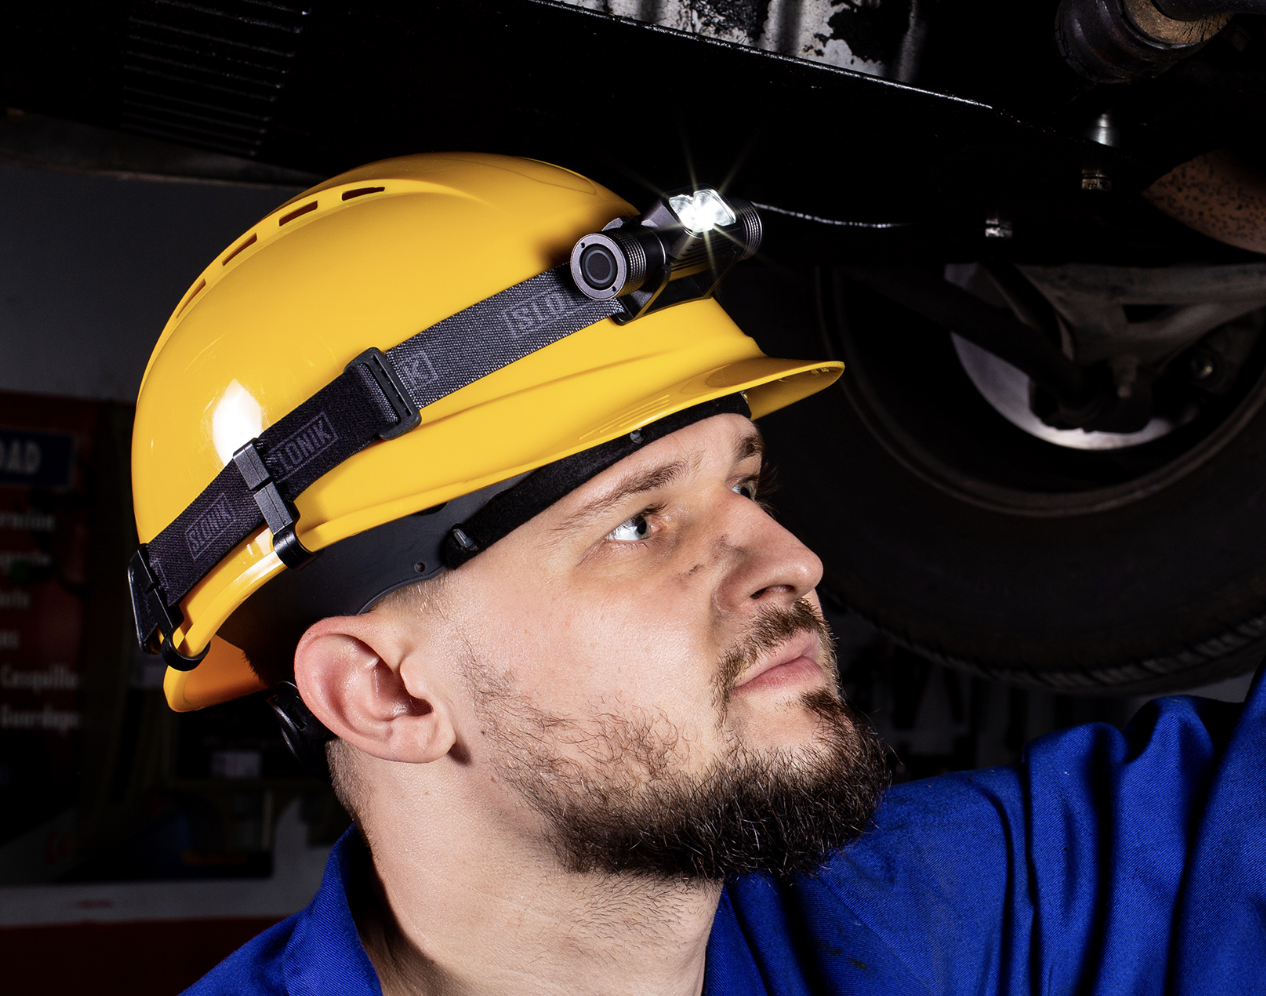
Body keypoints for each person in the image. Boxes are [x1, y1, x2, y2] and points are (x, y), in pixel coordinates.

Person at [129, 154, 1266, 996]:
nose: (797, 562)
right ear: (388, 691)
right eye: (638, 523)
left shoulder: (930, 918)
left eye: (749, 487)